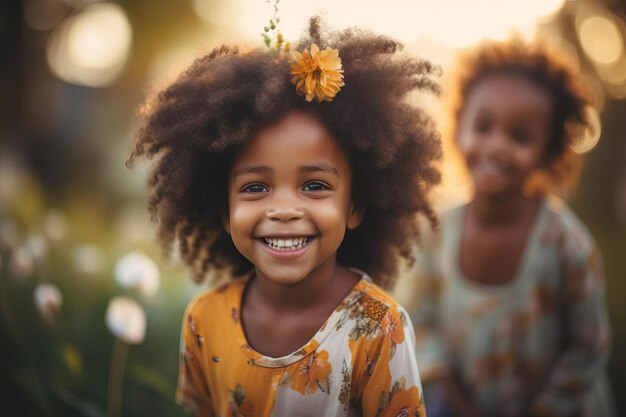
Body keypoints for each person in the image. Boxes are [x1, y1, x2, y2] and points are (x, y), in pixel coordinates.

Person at [127, 17, 442, 417]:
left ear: (356, 206)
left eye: (314, 186)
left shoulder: (380, 329)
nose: (284, 210)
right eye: (256, 187)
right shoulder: (204, 321)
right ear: (224, 212)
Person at [401, 38, 615, 417]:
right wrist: (457, 402)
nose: (496, 145)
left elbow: (588, 347)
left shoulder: (567, 245)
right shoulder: (433, 230)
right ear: (459, 126)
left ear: (548, 151)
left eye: (519, 135)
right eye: (483, 126)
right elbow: (420, 320)